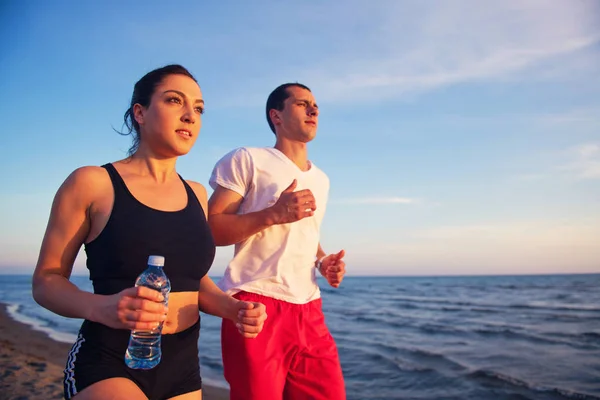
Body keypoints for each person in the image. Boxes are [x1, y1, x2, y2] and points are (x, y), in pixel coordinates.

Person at [31, 64, 267, 400]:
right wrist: (103, 308)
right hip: (110, 361)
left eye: (198, 108)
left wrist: (232, 308)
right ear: (139, 112)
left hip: (184, 367)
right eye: (175, 101)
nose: (190, 115)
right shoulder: (92, 183)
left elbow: (192, 281)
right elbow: (46, 281)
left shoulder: (198, 194)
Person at [208, 83, 347, 400]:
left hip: (310, 308)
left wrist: (323, 261)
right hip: (256, 303)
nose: (313, 110)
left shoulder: (322, 179)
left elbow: (306, 236)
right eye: (302, 104)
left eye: (315, 105)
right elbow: (212, 229)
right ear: (276, 115)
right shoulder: (248, 159)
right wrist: (272, 214)